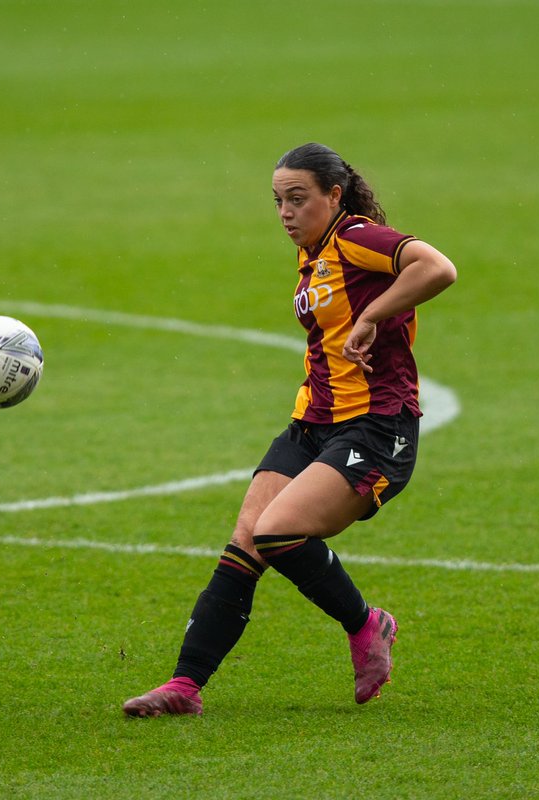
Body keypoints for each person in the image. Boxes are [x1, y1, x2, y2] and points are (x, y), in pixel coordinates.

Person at [123, 143, 457, 716]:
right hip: (312, 423)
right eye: (278, 201)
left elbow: (437, 268)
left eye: (298, 199)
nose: (285, 212)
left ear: (334, 195)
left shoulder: (356, 237)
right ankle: (184, 686)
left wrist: (372, 316)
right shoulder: (314, 252)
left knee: (278, 531)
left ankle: (367, 624)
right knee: (245, 544)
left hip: (376, 427)